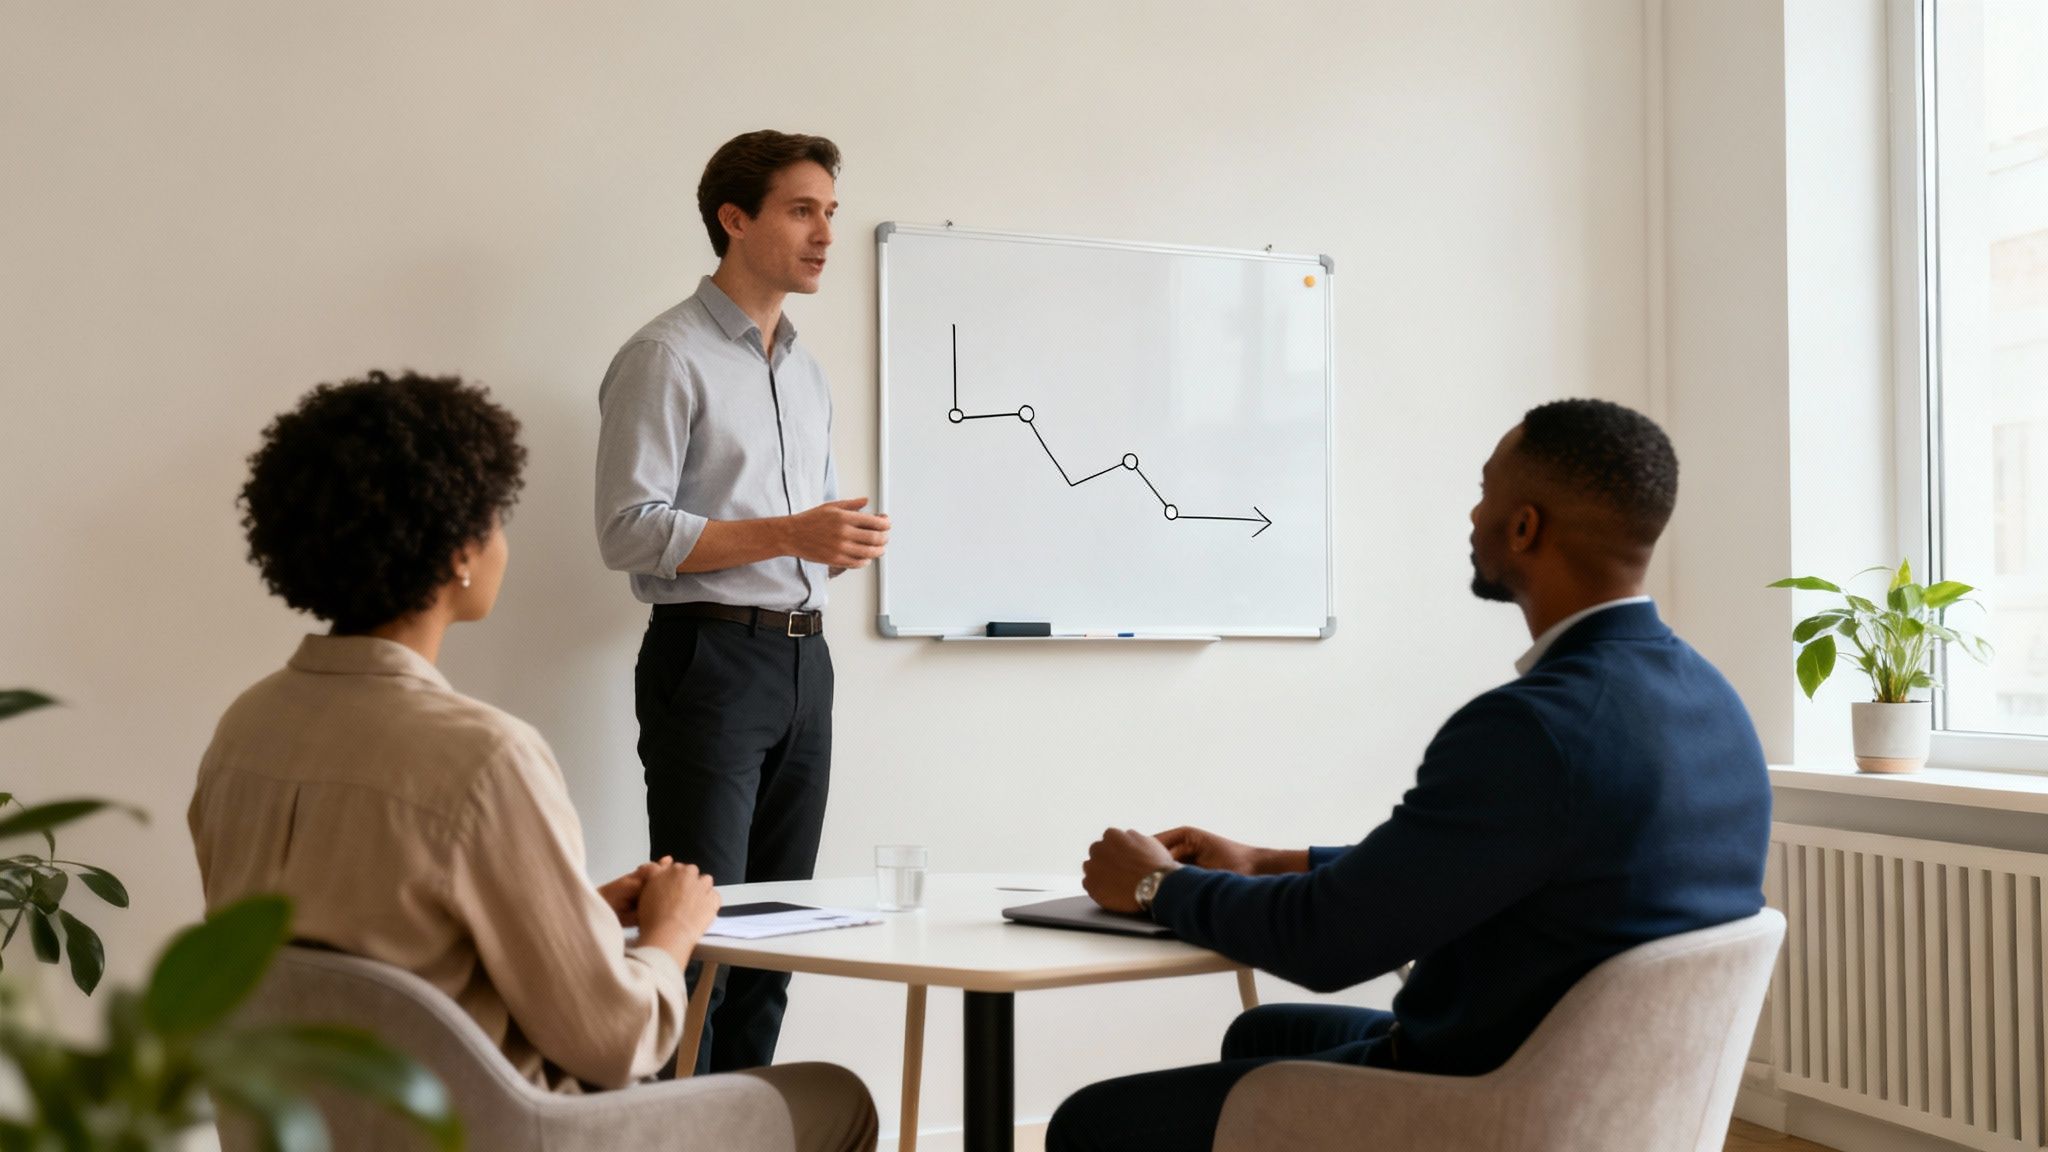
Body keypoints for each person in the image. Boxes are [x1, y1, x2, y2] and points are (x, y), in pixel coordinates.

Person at [1049, 398, 1771, 1152]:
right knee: (1267, 1030)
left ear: (1524, 527)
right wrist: (1267, 862)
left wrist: (1155, 886)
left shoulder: (1533, 729)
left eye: (1484, 492)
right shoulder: (1710, 699)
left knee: (1090, 1124)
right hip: (1605, 1094)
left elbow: (1328, 945)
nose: (1471, 513)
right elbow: (1466, 866)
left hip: (1482, 1103)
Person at [191, 370, 876, 1152]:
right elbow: (619, 1039)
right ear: (460, 551)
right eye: (497, 519)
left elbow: (373, 943)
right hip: (505, 1132)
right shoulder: (482, 758)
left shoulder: (245, 731)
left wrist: (576, 908)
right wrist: (672, 932)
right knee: (834, 1096)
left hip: (309, 1128)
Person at [595, 130, 887, 1075]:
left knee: (780, 940)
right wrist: (790, 536)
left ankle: (753, 1124)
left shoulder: (804, 371)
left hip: (807, 663)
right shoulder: (664, 356)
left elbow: (800, 529)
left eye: (831, 213)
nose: (825, 234)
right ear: (735, 219)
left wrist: (832, 548)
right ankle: (683, 1133)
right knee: (699, 937)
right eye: (803, 210)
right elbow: (629, 530)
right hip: (709, 661)